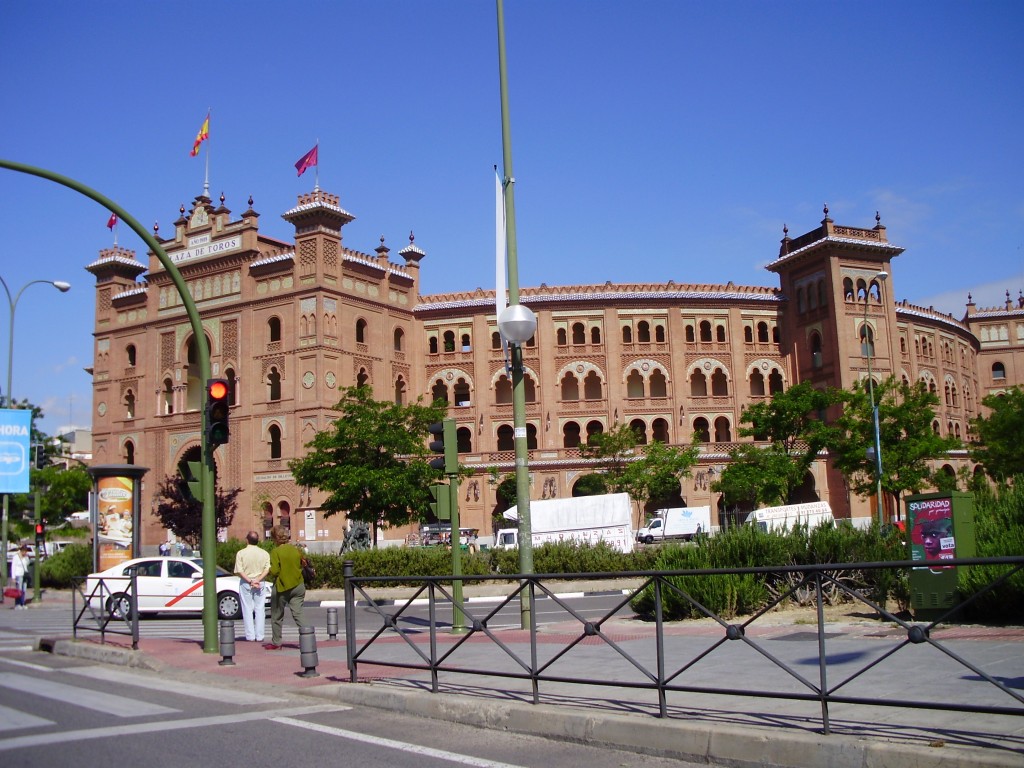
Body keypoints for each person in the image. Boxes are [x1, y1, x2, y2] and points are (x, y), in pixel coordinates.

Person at [265, 525, 307, 650]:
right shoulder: (295, 549)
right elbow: (302, 563)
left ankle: (277, 642)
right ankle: (308, 637)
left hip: (282, 587)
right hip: (298, 585)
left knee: (277, 615)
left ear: (275, 538)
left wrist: (268, 569)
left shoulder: (276, 552)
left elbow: (275, 571)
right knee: (298, 613)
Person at [233, 531, 271, 642]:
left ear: (247, 540)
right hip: (260, 583)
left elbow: (239, 570)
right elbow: (267, 569)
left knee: (247, 609)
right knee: (260, 609)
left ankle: (250, 636)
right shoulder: (264, 553)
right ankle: (260, 636)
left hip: (246, 583)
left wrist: (250, 581)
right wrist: (258, 580)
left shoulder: (241, 553)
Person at [9, 544, 31, 609]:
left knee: (24, 590)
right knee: (19, 590)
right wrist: (13, 577)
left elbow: (27, 563)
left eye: (26, 551)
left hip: (24, 575)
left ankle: (22, 603)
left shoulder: (26, 557)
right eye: (24, 551)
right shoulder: (16, 557)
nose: (25, 552)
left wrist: (27, 558)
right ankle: (17, 604)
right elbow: (13, 567)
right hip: (18, 574)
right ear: (21, 551)